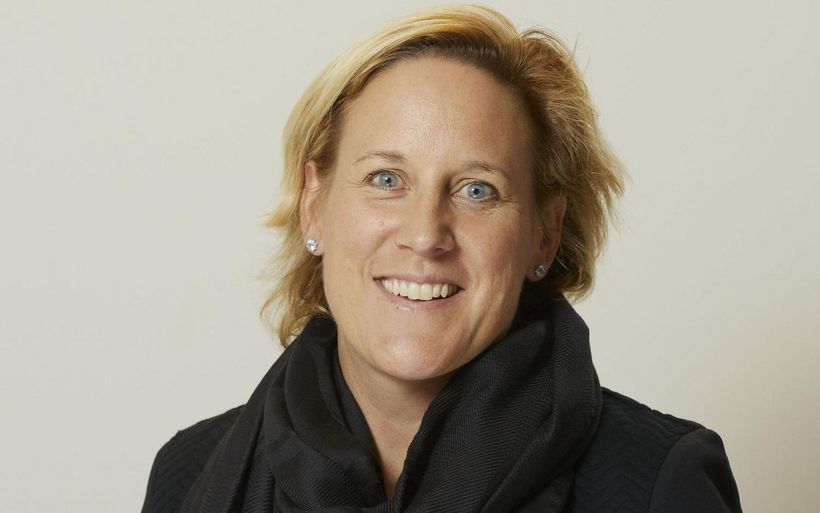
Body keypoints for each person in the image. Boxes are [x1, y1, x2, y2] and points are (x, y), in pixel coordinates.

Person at [141, 5, 742, 512]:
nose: (426, 234)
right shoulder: (190, 473)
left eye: (477, 190)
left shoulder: (659, 482)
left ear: (545, 234)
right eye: (386, 179)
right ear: (314, 206)